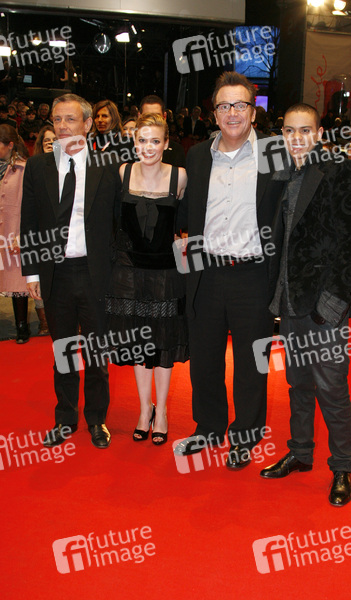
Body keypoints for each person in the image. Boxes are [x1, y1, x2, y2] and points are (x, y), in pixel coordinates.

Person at [174, 71, 285, 469]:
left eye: (240, 105)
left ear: (253, 112)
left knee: (251, 363)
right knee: (204, 359)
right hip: (206, 272)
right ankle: (208, 427)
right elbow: (187, 213)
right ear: (214, 113)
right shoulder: (198, 155)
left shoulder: (275, 154)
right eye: (224, 106)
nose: (232, 113)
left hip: (254, 274)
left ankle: (245, 436)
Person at [259, 103, 351, 507]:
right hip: (290, 299)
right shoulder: (280, 171)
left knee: (332, 388)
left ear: (320, 133)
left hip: (325, 304)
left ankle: (342, 467)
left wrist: (332, 303)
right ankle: (301, 452)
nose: (296, 138)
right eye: (289, 131)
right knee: (298, 384)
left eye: (305, 130)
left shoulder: (340, 170)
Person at [20, 93, 121, 449]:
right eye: (57, 119)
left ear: (88, 124)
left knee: (96, 353)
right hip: (55, 274)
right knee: (61, 351)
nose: (62, 126)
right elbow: (29, 223)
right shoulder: (38, 167)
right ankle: (64, 418)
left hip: (96, 273)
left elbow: (119, 222)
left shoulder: (109, 166)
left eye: (70, 119)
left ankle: (97, 419)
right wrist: (32, 274)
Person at [105, 113, 188, 445]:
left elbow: (187, 222)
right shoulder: (122, 172)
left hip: (165, 273)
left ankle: (162, 412)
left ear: (166, 144)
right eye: (142, 140)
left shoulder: (180, 176)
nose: (148, 147)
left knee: (162, 343)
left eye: (155, 141)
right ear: (134, 142)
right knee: (138, 344)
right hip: (129, 272)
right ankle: (144, 410)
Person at [0, 125, 30, 343]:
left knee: (17, 281)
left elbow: (28, 205)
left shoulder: (23, 169)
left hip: (13, 232)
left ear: (10, 145)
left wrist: (22, 234)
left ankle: (22, 326)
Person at [30, 124, 57, 335]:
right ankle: (45, 322)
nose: (50, 143)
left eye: (54, 139)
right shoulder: (33, 167)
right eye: (46, 140)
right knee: (40, 278)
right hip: (41, 237)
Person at [138, 95, 186, 168]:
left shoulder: (177, 151)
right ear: (139, 116)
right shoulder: (126, 151)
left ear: (164, 117)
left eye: (157, 116)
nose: (152, 120)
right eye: (147, 116)